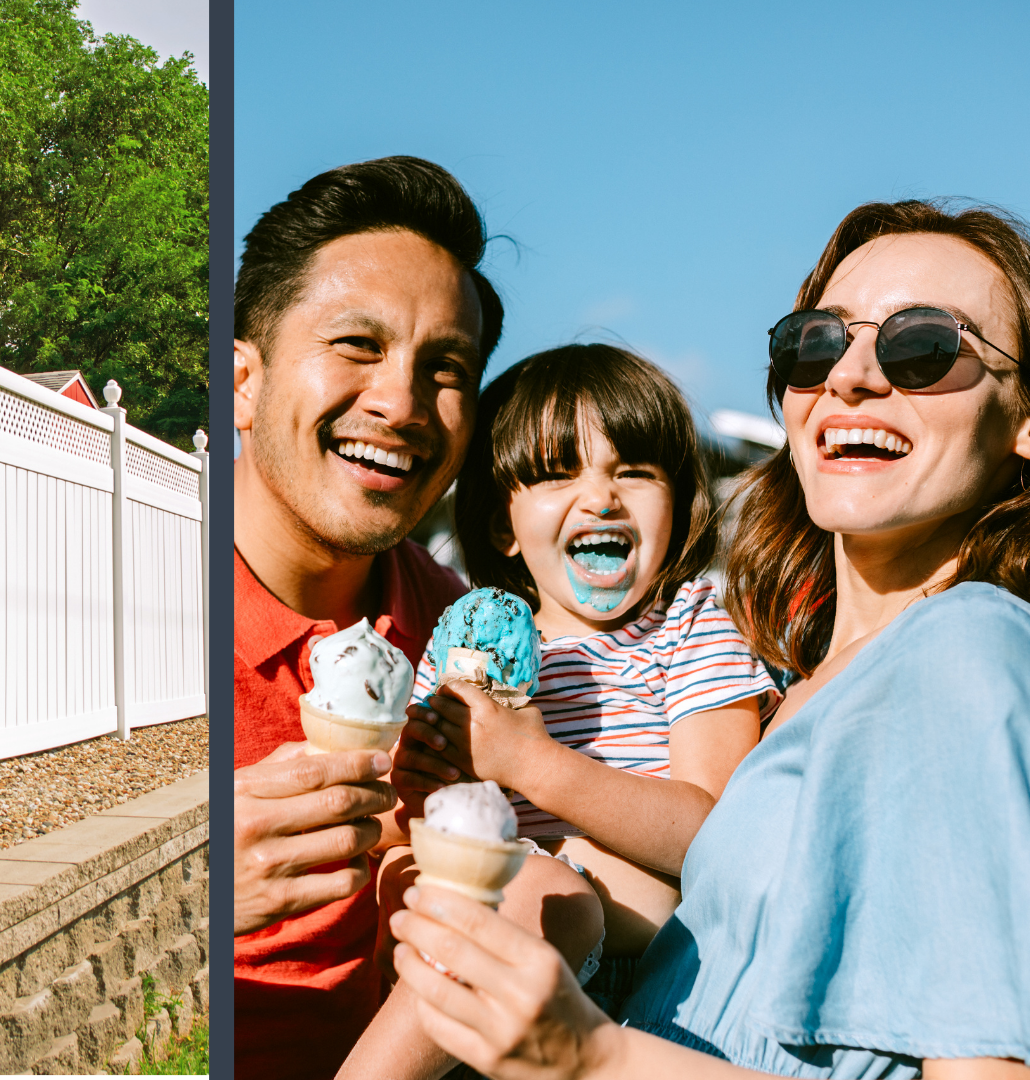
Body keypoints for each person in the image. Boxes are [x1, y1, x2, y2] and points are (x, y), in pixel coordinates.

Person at [387, 198, 1030, 1079]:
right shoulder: (810, 684)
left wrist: (589, 1056)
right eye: (816, 343)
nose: (850, 376)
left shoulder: (960, 650)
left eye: (923, 345)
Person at [340, 345, 778, 1080]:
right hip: (458, 977)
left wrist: (531, 763)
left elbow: (713, 836)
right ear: (505, 525)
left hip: (626, 999)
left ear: (679, 502)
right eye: (555, 473)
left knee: (558, 897)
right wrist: (417, 790)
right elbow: (393, 825)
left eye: (633, 471)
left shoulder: (691, 628)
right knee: (521, 888)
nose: (601, 498)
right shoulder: (467, 640)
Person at [232, 156, 508, 1080]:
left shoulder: (471, 645)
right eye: (357, 344)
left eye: (447, 368)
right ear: (243, 379)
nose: (399, 403)